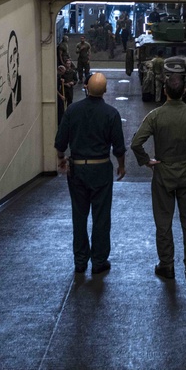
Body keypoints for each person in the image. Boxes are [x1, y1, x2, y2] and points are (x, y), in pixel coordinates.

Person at [131, 75, 186, 280]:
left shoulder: (155, 115)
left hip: (163, 171)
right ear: (185, 92)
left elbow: (136, 143)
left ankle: (167, 265)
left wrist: (147, 160)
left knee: (163, 221)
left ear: (165, 91)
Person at [55, 73, 126, 275]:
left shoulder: (72, 111)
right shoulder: (111, 113)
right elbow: (118, 146)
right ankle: (99, 260)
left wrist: (61, 158)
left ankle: (80, 261)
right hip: (101, 168)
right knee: (101, 216)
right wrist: (121, 165)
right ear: (105, 90)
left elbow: (60, 142)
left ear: (85, 87)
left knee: (79, 216)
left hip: (77, 169)